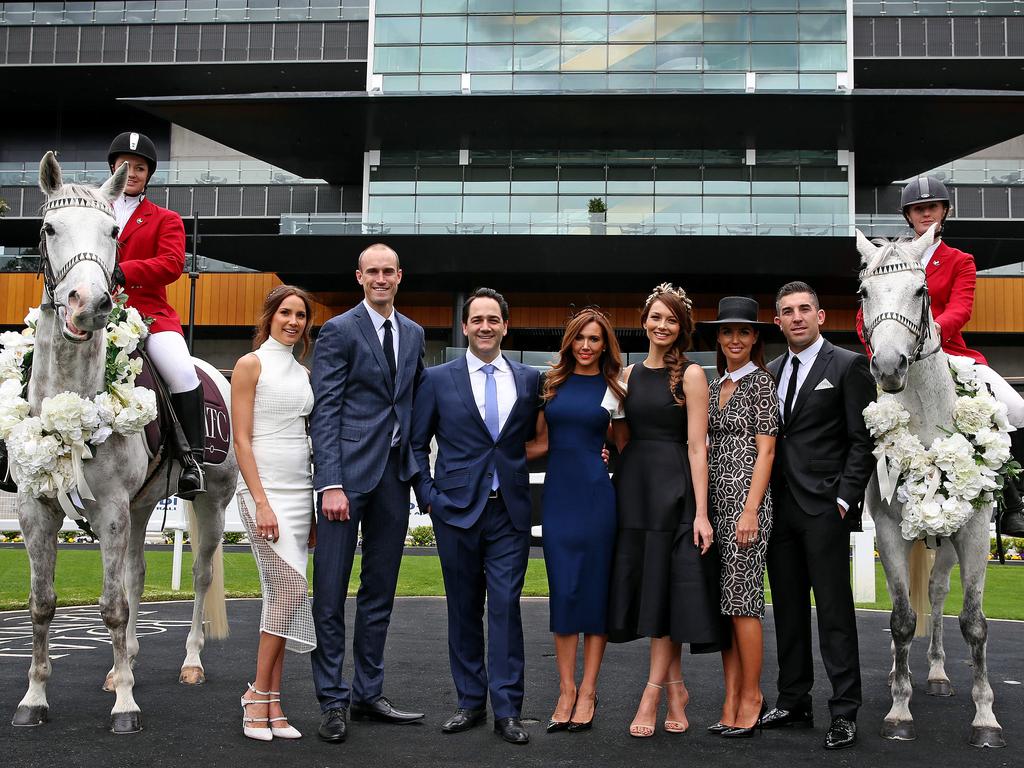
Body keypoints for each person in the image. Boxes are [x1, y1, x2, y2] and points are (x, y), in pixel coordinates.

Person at [856, 175, 1024, 535]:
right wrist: (882, 346)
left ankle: (1014, 501)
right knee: (857, 415)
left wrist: (927, 340)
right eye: (918, 209)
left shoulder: (959, 260)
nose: (926, 214)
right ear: (908, 216)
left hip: (952, 354)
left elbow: (961, 309)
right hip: (894, 359)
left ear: (944, 211)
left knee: (1016, 408)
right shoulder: (889, 259)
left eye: (932, 207)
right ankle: (855, 498)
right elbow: (865, 314)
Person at [410, 287, 541, 746]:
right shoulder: (437, 378)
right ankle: (470, 703)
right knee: (464, 609)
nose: (485, 326)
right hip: (455, 511)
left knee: (505, 608)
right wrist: (429, 496)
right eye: (477, 319)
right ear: (465, 327)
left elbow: (537, 437)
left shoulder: (529, 379)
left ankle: (507, 710)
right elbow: (414, 444)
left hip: (510, 511)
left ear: (506, 325)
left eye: (493, 319)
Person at [309, 243, 426, 744]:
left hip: (394, 482)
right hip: (346, 483)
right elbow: (326, 410)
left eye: (388, 271)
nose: (380, 278)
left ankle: (368, 692)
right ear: (359, 276)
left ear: (400, 276)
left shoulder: (416, 333)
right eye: (371, 271)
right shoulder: (338, 330)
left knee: (379, 592)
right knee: (330, 595)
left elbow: (416, 402)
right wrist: (330, 482)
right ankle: (333, 700)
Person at [605, 283, 722, 739]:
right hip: (635, 490)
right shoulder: (628, 374)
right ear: (644, 320)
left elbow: (698, 446)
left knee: (668, 589)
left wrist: (701, 512)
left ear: (681, 327)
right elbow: (619, 436)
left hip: (677, 491)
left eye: (671, 319)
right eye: (656, 317)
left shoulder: (692, 375)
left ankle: (651, 692)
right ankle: (676, 688)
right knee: (652, 591)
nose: (662, 325)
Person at [762, 281, 875, 750]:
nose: (797, 317)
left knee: (834, 614)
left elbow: (863, 438)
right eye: (788, 311)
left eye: (805, 308)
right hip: (778, 510)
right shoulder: (768, 371)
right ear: (778, 322)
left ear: (821, 316)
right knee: (787, 611)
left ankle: (845, 711)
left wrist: (845, 499)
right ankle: (794, 701)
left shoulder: (848, 365)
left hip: (825, 509)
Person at [525, 307, 624, 733]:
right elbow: (541, 442)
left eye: (595, 339)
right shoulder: (552, 384)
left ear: (605, 345)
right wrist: (490, 453)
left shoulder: (615, 388)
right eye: (580, 338)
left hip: (598, 499)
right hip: (559, 498)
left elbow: (624, 446)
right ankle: (565, 689)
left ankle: (588, 690)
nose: (586, 346)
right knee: (563, 592)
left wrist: (606, 453)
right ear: (570, 341)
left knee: (595, 594)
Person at [232, 285, 317, 741]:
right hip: (264, 495)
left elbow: (308, 440)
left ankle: (274, 703)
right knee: (287, 593)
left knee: (281, 603)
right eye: (285, 312)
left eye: (300, 315)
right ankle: (256, 696)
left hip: (301, 495)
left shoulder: (304, 373)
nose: (293, 321)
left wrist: (316, 512)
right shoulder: (250, 365)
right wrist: (261, 500)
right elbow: (241, 439)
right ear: (270, 316)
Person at [697, 297, 779, 739]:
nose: (734, 339)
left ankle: (752, 697)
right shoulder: (714, 386)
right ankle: (730, 698)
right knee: (726, 607)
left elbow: (766, 450)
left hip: (747, 507)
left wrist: (750, 509)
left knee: (745, 604)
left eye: (743, 332)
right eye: (727, 332)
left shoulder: (762, 384)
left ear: (755, 339)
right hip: (714, 507)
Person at [106, 131, 204, 498]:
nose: (132, 172)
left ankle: (192, 461)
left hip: (148, 315)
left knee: (181, 372)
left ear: (149, 174)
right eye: (125, 166)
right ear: (113, 167)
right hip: (94, 314)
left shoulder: (165, 218)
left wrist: (125, 271)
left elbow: (172, 264)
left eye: (140, 168)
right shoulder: (93, 208)